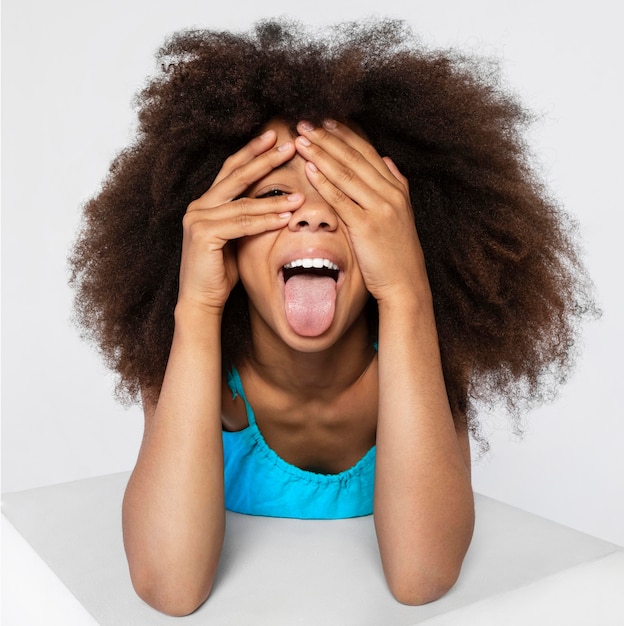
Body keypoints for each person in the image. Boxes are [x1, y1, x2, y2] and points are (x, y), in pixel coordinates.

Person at [69, 19, 597, 616]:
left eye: (350, 198)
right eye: (273, 196)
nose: (313, 217)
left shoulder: (429, 353)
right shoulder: (192, 361)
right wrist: (195, 307)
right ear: (224, 232)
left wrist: (407, 289)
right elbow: (170, 589)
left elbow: (420, 577)